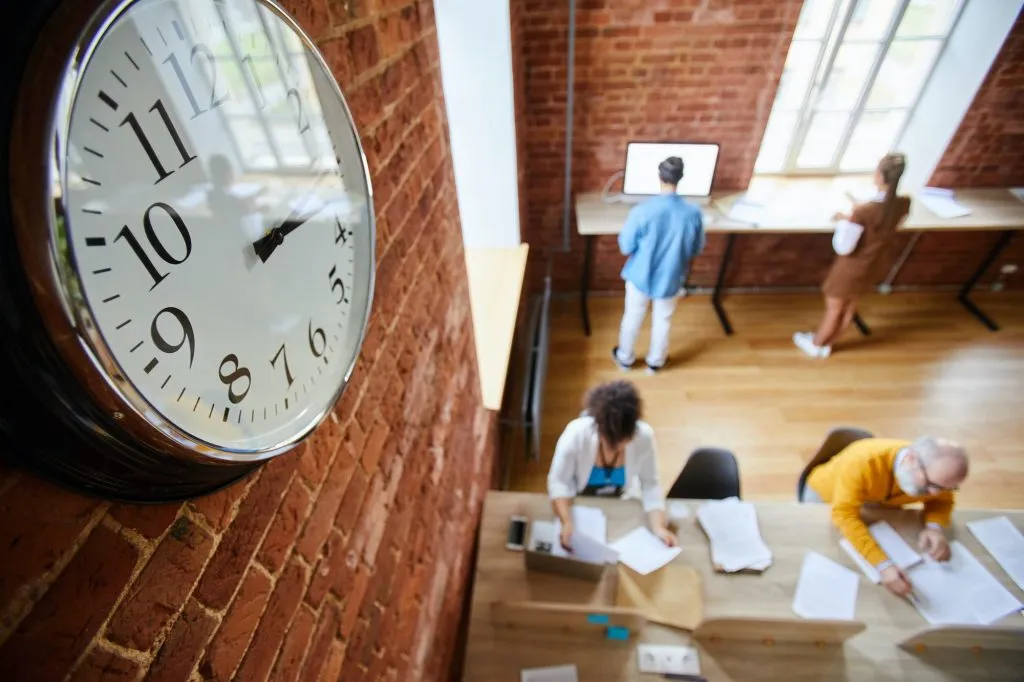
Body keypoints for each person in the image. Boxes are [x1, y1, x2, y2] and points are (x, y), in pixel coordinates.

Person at [802, 436, 969, 597]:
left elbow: (942, 502)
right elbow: (844, 515)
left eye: (946, 488)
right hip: (825, 496)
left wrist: (934, 527)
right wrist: (882, 565)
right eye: (931, 484)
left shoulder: (934, 477)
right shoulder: (863, 462)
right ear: (911, 458)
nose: (934, 493)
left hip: (872, 503)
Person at [794, 153, 910, 358]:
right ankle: (830, 342)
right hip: (873, 264)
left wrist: (845, 221)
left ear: (880, 177)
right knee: (849, 308)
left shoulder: (864, 211)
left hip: (852, 267)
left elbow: (844, 247)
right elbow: (884, 226)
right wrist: (853, 216)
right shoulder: (903, 203)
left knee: (835, 308)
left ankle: (816, 344)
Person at [547, 380, 676, 551]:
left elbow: (650, 484)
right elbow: (559, 481)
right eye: (609, 440)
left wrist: (658, 528)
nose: (615, 447)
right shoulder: (576, 434)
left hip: (619, 508)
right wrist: (566, 522)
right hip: (580, 506)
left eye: (623, 440)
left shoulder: (643, 437)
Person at [614, 156, 705, 374]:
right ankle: (655, 362)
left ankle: (625, 358)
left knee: (632, 316)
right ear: (680, 178)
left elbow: (625, 246)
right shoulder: (693, 214)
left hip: (640, 277)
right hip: (671, 278)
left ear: (659, 177)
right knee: (663, 320)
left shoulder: (642, 211)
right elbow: (696, 249)